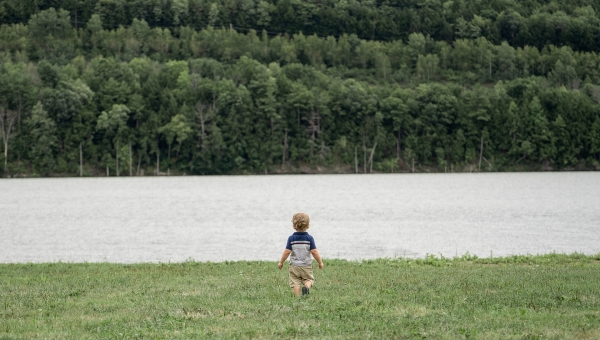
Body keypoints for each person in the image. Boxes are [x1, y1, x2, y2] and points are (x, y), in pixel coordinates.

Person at [278, 212, 324, 296]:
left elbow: (287, 251)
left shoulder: (291, 238)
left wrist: (281, 262)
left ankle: (297, 297)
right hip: (306, 265)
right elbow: (314, 251)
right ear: (308, 225)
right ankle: (306, 287)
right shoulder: (309, 238)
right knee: (309, 279)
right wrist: (320, 262)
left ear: (293, 225)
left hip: (294, 266)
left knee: (295, 282)